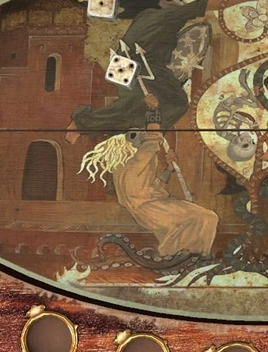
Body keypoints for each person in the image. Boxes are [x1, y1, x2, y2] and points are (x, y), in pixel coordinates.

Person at [65, 0, 262, 142]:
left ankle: (91, 125)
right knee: (177, 102)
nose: (183, 3)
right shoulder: (169, 14)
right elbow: (203, 4)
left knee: (132, 105)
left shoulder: (145, 15)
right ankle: (143, 130)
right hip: (146, 66)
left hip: (120, 66)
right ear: (166, 0)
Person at [78, 94, 218, 256]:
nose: (142, 135)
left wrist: (169, 169)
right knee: (193, 221)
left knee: (208, 217)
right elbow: (153, 137)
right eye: (136, 134)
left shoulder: (130, 163)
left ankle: (196, 255)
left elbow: (153, 185)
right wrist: (153, 111)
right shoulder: (136, 158)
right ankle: (175, 255)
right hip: (148, 209)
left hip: (158, 203)